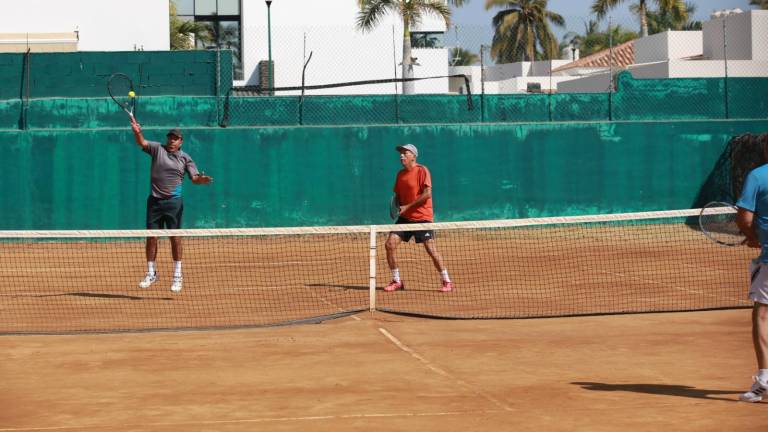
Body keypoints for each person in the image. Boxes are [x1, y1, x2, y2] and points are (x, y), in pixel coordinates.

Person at [130, 117, 212, 293]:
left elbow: (194, 178)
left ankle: (177, 275)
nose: (172, 141)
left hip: (174, 203)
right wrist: (137, 132)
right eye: (170, 138)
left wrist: (201, 180)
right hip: (154, 201)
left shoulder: (185, 158)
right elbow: (142, 142)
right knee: (151, 238)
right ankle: (151, 273)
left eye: (175, 139)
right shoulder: (157, 149)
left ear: (181, 141)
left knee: (175, 238)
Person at [384, 144, 453, 293]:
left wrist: (407, 206)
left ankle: (447, 281)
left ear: (413, 156)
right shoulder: (400, 175)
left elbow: (427, 194)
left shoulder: (422, 170)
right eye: (401, 153)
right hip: (405, 218)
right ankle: (397, 281)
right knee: (389, 245)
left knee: (431, 249)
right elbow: (398, 196)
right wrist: (398, 206)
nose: (401, 155)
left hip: (422, 217)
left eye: (405, 153)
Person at [735, 134, 768, 403]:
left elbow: (744, 218)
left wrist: (753, 236)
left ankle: (764, 382)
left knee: (762, 316)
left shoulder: (757, 176)